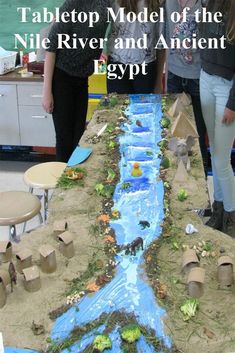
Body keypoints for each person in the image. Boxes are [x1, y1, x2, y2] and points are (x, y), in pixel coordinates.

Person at [42, 0, 110, 162]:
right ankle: (63, 184)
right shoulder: (72, 4)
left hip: (82, 78)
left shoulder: (108, 4)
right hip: (62, 78)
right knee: (65, 138)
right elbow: (51, 47)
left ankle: (75, 178)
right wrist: (46, 92)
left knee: (79, 135)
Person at [200, 0, 235, 236]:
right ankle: (219, 209)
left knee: (222, 161)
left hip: (226, 87)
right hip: (206, 78)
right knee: (214, 152)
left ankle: (231, 217)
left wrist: (233, 104)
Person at [163, 0, 208, 176]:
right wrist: (166, 77)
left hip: (198, 76)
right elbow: (166, 37)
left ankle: (200, 186)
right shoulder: (169, 2)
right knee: (174, 134)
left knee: (196, 138)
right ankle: (177, 183)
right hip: (174, 74)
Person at [106, 0, 165, 94]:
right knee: (118, 107)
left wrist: (159, 82)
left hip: (146, 68)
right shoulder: (114, 2)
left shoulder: (158, 3)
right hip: (117, 66)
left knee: (145, 108)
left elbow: (161, 45)